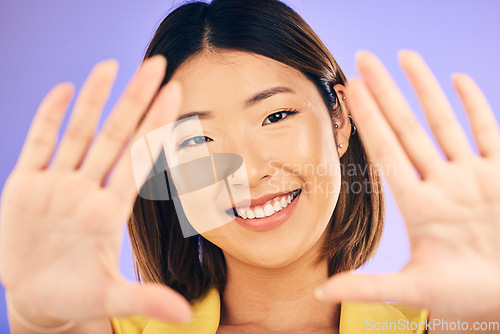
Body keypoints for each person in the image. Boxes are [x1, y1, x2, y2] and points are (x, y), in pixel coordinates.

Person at [1, 0, 499, 333]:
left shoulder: (447, 320)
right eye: (197, 138)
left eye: (276, 115)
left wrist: (486, 314)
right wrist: (43, 324)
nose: (248, 171)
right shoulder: (106, 327)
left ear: (340, 118)